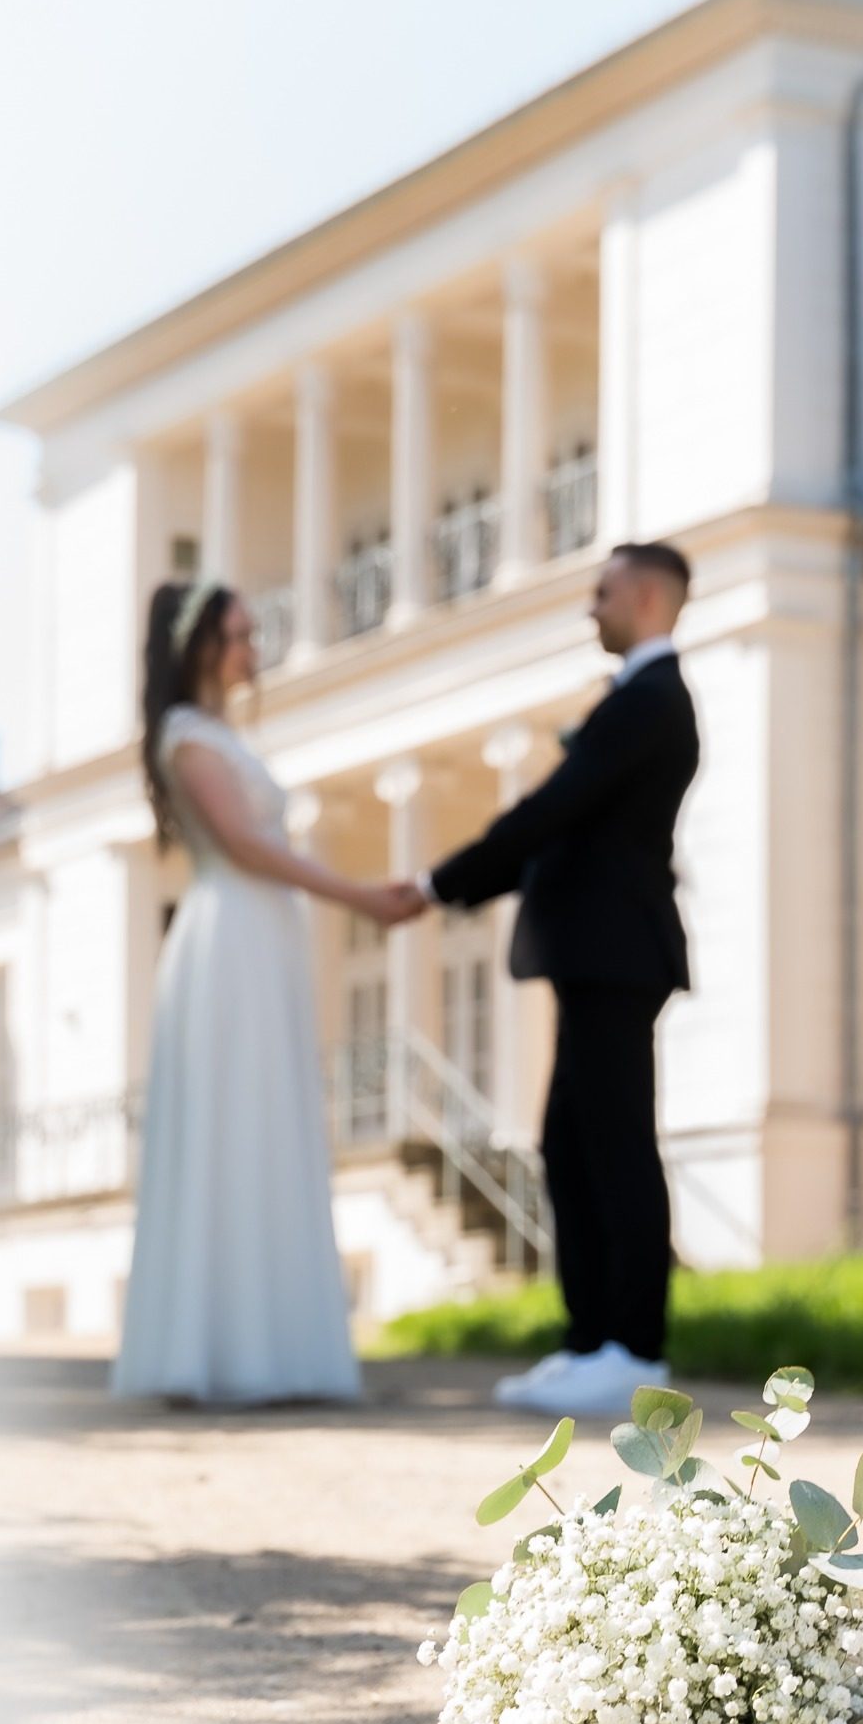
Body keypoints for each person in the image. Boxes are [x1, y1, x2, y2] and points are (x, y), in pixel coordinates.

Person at [112, 581, 421, 1405]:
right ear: (202, 646)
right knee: (232, 1128)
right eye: (243, 635)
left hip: (259, 942)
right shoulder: (186, 735)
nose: (256, 649)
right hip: (229, 943)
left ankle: (271, 1349)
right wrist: (355, 896)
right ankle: (220, 1354)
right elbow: (245, 846)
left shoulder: (219, 734)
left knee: (267, 1127)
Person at [415, 542, 700, 1417]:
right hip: (594, 958)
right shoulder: (631, 700)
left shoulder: (650, 701)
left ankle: (634, 1348)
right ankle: (591, 1343)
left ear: (647, 597)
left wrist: (438, 883)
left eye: (603, 592)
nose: (591, 608)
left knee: (613, 1146)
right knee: (571, 1146)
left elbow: (553, 811)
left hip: (617, 955)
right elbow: (560, 823)